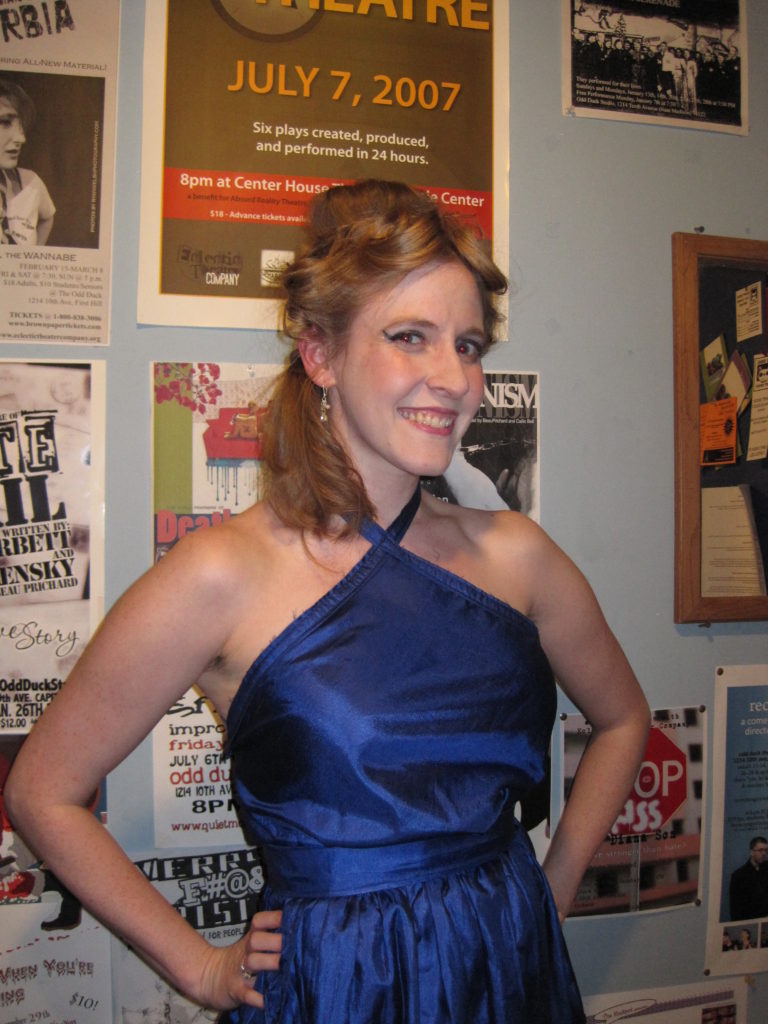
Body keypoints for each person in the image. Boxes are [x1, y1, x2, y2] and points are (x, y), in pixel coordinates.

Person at [5, 180, 650, 1023]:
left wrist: (549, 888)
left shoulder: (518, 556)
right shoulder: (221, 574)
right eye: (409, 337)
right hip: (340, 985)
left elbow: (624, 719)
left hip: (510, 968)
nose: (453, 378)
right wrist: (199, 968)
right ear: (320, 355)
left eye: (469, 345)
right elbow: (43, 791)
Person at [0, 77, 55, 245]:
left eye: (21, 126)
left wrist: (33, 260)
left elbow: (47, 218)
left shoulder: (30, 183)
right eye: (5, 122)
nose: (21, 138)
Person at [729, 835, 768, 921]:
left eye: (766, 850)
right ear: (751, 852)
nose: (764, 853)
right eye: (760, 850)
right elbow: (735, 911)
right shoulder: (738, 876)